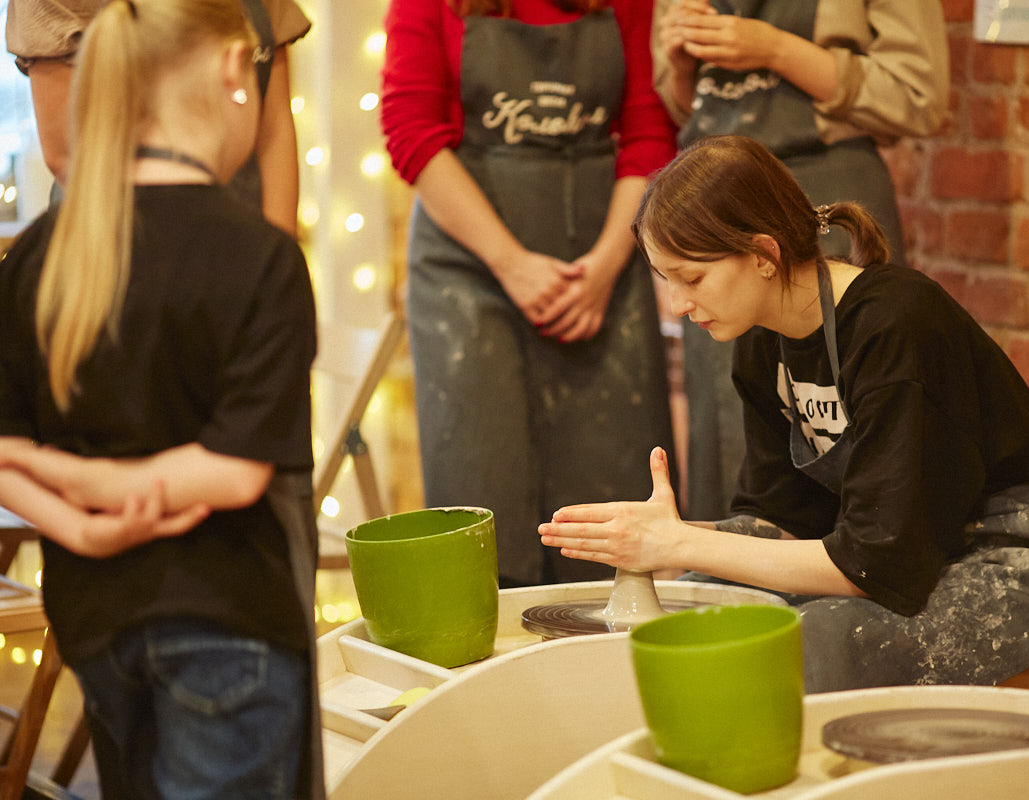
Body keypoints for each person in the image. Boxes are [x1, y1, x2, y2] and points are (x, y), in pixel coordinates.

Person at [540, 135, 1029, 693]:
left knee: (805, 646)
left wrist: (678, 546)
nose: (678, 303)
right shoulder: (760, 340)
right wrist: (657, 536)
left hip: (1020, 555)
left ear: (764, 255)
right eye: (665, 280)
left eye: (691, 277)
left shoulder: (896, 326)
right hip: (906, 549)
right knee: (691, 609)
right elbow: (783, 519)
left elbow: (874, 564)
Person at [0, 1, 323, 796]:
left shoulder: (42, 253)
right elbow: (237, 473)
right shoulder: (260, 259)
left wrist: (77, 504)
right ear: (229, 71)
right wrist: (118, 490)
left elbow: (5, 451)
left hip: (95, 622)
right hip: (231, 625)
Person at [381, 0, 678, 587]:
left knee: (609, 500)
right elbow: (411, 132)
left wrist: (605, 266)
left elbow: (648, 134)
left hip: (603, 268)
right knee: (483, 495)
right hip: (467, 273)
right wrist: (510, 264)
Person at [653, 0, 949, 521]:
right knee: (733, 438)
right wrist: (680, 67)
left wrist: (774, 49)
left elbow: (917, 97)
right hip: (716, 205)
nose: (679, 303)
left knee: (853, 423)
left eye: (687, 280)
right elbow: (681, 106)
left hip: (822, 174)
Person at [5, 0, 310, 233]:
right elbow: (68, 155)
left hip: (246, 237)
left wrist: (277, 259)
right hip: (112, 244)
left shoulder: (268, 263)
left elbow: (274, 130)